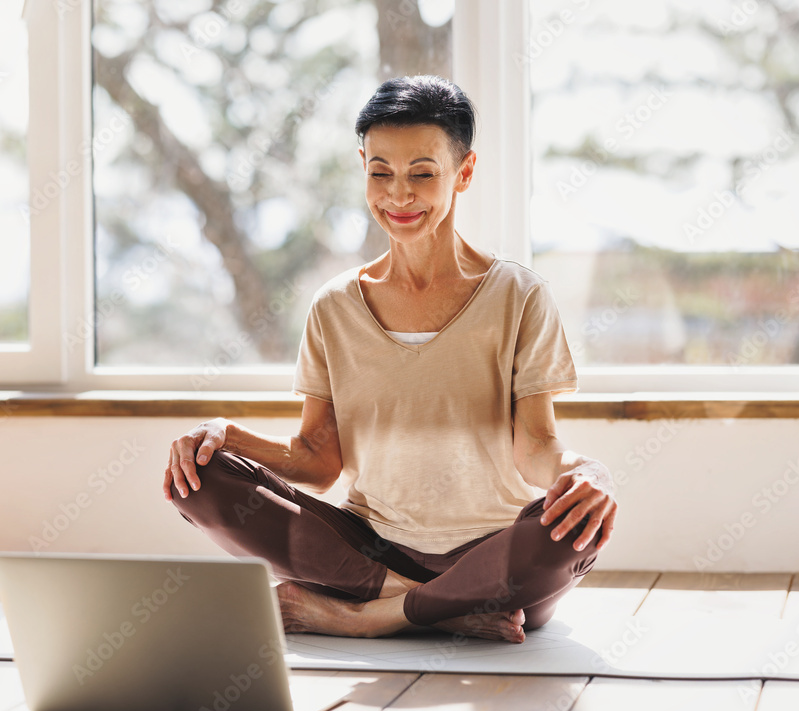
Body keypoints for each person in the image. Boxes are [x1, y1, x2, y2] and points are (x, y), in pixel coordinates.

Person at [164, 75, 617, 642]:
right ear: (363, 168)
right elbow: (318, 460)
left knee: (573, 531)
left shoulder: (519, 297)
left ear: (465, 172)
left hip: (492, 547)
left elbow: (535, 448)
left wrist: (587, 474)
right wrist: (228, 436)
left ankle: (369, 617)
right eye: (381, 173)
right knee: (197, 479)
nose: (398, 196)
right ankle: (441, 606)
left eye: (422, 174)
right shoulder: (333, 306)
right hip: (367, 547)